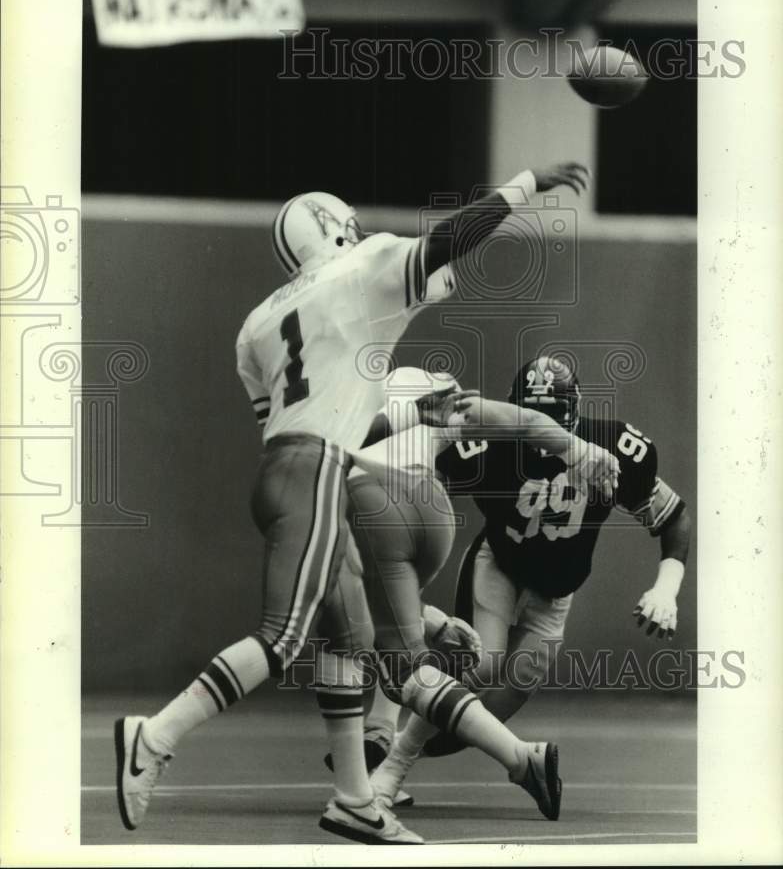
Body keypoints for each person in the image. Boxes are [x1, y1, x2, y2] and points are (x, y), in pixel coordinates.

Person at [114, 163, 591, 844]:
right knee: (282, 638)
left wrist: (409, 415)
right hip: (319, 475)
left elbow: (315, 422)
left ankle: (354, 799)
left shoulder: (256, 325)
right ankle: (155, 735)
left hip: (292, 473)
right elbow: (452, 238)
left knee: (348, 644)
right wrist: (528, 183)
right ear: (338, 227)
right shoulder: (364, 266)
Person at [368, 354, 691, 805]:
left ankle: (399, 744)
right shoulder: (489, 444)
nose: (544, 428)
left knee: (513, 684)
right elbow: (419, 486)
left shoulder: (614, 448)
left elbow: (673, 518)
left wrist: (666, 588)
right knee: (481, 664)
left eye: (553, 416)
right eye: (533, 414)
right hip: (500, 564)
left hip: (556, 588)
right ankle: (390, 761)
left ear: (575, 413)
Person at [334, 365, 620, 821]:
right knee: (408, 649)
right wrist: (580, 450)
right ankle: (383, 752)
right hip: (431, 516)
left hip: (379, 510)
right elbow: (525, 422)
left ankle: (384, 749)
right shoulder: (438, 393)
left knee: (360, 639)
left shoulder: (337, 415)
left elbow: (329, 462)